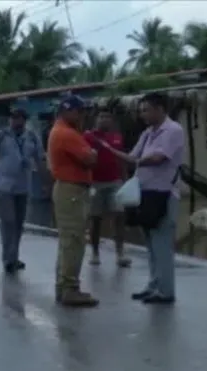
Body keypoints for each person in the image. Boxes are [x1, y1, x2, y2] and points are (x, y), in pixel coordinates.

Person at [96, 92, 184, 305]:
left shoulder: (173, 130)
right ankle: (153, 285)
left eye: (146, 110)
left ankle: (165, 291)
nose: (143, 114)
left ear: (160, 109)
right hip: (145, 193)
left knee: (162, 244)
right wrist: (110, 151)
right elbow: (133, 156)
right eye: (142, 110)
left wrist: (129, 158)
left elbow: (157, 158)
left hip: (163, 193)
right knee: (151, 243)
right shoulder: (147, 133)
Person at [47, 95, 99, 307]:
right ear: (69, 112)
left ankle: (64, 286)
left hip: (68, 189)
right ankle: (70, 288)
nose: (82, 116)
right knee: (74, 240)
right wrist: (93, 152)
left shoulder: (62, 130)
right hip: (72, 190)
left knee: (68, 240)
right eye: (80, 112)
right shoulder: (67, 133)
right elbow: (90, 158)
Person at [0, 107, 45, 273]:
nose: (16, 121)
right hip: (2, 186)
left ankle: (14, 257)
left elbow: (39, 160)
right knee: (8, 221)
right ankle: (8, 259)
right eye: (13, 118)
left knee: (18, 224)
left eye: (19, 118)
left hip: (23, 186)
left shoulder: (32, 137)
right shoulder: (2, 135)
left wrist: (46, 181)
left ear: (24, 120)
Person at [83, 107, 131, 268]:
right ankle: (95, 252)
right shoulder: (88, 137)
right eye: (101, 117)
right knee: (95, 219)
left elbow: (122, 159)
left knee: (119, 216)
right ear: (96, 120)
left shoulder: (117, 137)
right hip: (95, 183)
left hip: (115, 181)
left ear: (112, 121)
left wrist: (125, 180)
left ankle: (120, 252)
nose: (104, 120)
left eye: (107, 117)